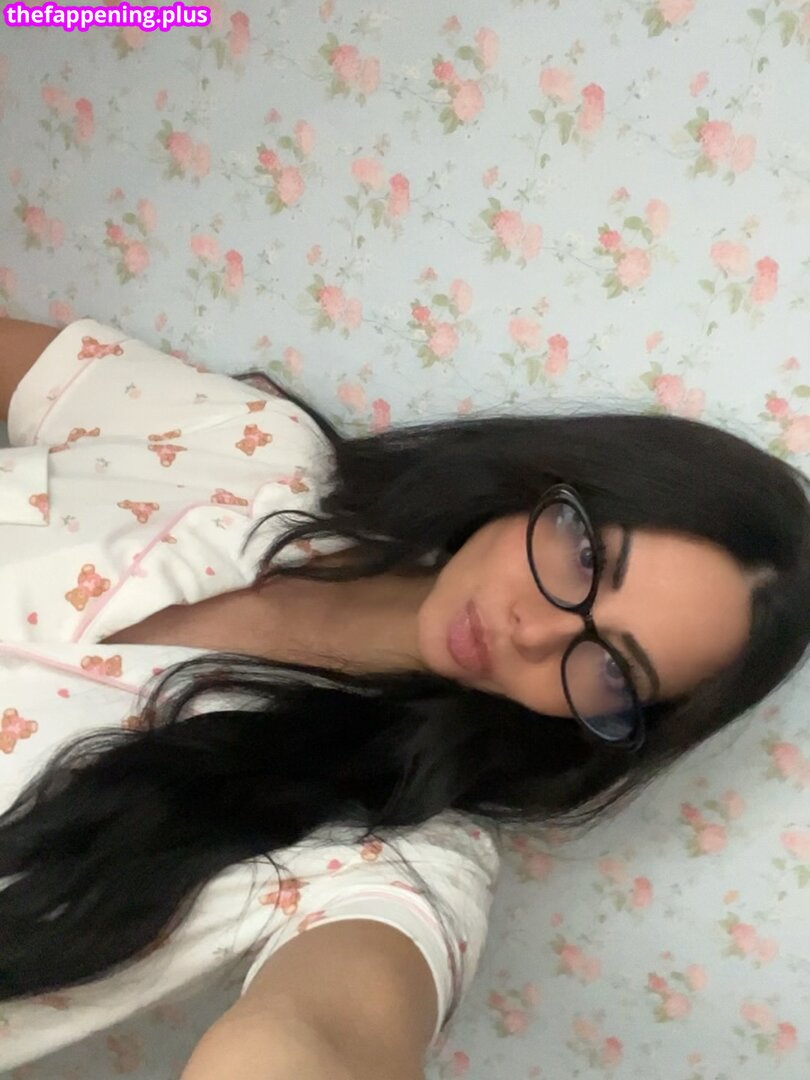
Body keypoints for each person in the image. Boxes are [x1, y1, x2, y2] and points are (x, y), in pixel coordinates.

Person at [0, 315, 808, 1078]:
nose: (535, 633)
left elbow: (323, 1031)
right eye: (587, 559)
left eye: (610, 669)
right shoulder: (250, 448)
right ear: (553, 480)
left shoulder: (395, 849)